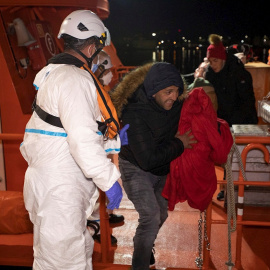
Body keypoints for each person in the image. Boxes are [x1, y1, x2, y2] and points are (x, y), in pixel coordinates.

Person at [20, 10, 124, 270]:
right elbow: (80, 139)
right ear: (90, 46)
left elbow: (62, 129)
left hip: (55, 183)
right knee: (66, 261)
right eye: (99, 50)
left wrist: (109, 140)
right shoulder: (74, 78)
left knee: (71, 251)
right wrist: (109, 179)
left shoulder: (54, 73)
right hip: (60, 188)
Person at [110, 62, 197, 270]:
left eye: (177, 91)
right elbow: (147, 159)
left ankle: (144, 244)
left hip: (162, 168)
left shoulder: (176, 104)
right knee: (150, 216)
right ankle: (139, 265)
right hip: (136, 168)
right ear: (153, 91)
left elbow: (199, 107)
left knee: (162, 213)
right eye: (168, 91)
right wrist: (179, 143)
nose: (173, 97)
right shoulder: (134, 112)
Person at [205, 34, 258, 201]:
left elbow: (247, 103)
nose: (212, 65)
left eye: (214, 61)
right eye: (209, 61)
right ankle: (226, 188)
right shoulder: (211, 74)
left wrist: (235, 126)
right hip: (222, 120)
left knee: (235, 157)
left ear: (222, 59)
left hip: (241, 121)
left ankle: (234, 190)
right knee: (224, 157)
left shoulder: (239, 74)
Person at [88, 50, 124, 245]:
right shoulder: (91, 94)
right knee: (94, 193)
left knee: (101, 192)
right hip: (95, 152)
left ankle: (102, 221)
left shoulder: (100, 92)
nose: (112, 75)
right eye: (108, 70)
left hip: (104, 149)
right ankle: (96, 226)